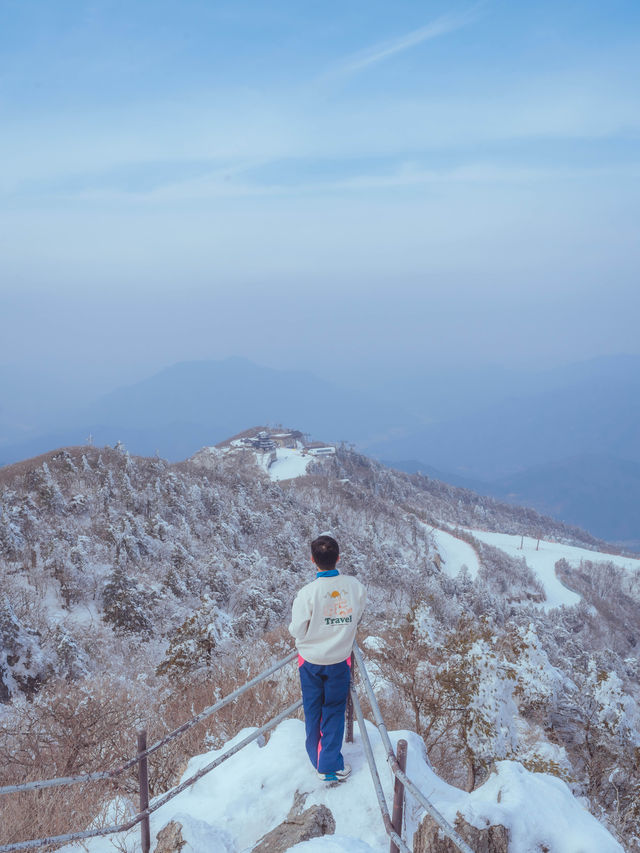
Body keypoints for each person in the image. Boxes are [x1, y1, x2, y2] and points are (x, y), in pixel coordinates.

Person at [288, 535, 367, 782]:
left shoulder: (307, 593)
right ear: (338, 558)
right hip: (339, 659)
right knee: (333, 710)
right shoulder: (355, 587)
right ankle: (329, 764)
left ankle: (319, 761)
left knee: (313, 708)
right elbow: (357, 617)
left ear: (313, 560)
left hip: (310, 660)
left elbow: (297, 629)